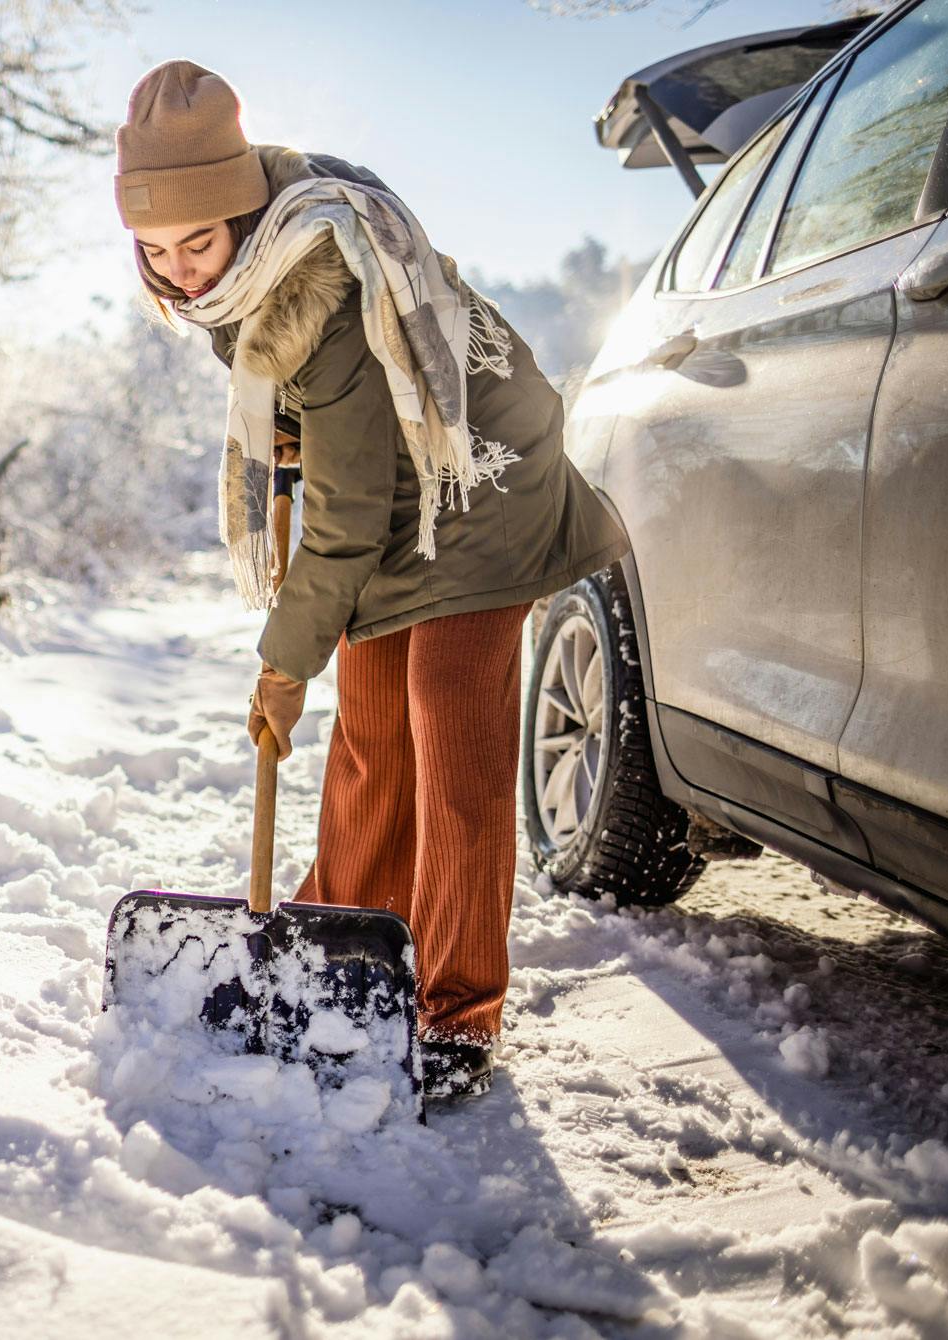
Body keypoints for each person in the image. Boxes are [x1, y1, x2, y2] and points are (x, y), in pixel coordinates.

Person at [114, 59, 628, 1100]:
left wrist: (280, 664)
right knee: (372, 727)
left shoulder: (317, 278)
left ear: (244, 209)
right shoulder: (243, 276)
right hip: (396, 482)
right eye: (155, 251)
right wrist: (294, 444)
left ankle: (453, 1005)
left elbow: (343, 524)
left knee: (449, 720)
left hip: (479, 474)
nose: (180, 273)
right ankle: (337, 929)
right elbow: (330, 443)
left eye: (196, 244)